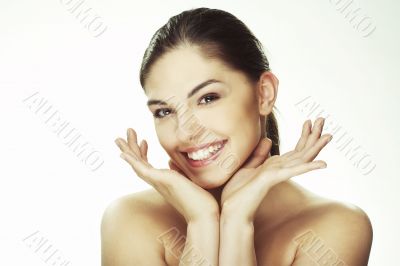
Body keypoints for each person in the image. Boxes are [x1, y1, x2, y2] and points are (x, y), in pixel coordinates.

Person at [101, 7, 373, 266]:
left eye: (208, 98)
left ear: (263, 93)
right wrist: (202, 222)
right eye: (164, 111)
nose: (185, 131)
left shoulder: (336, 226)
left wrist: (236, 221)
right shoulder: (131, 220)